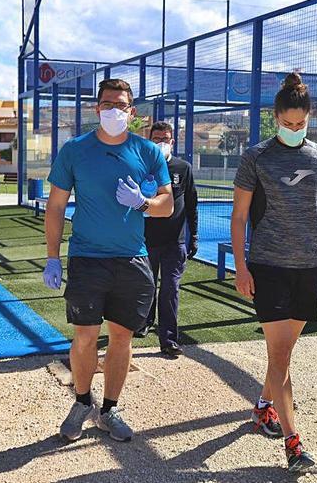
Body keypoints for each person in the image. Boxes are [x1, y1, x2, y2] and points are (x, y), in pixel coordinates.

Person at [231, 73, 317, 473]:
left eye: (301, 124)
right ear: (276, 117)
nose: (295, 129)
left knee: (284, 354)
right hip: (267, 267)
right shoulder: (256, 157)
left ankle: (264, 407)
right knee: (280, 355)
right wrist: (242, 266)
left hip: (308, 267)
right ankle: (293, 443)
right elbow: (240, 215)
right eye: (288, 123)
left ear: (309, 118)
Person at [43, 79, 173, 443]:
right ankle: (82, 401)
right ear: (97, 109)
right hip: (87, 258)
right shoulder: (75, 150)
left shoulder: (147, 151)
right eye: (107, 104)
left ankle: (109, 409)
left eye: (121, 105)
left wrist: (142, 203)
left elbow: (168, 205)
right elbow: (55, 207)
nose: (114, 110)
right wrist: (52, 258)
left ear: (132, 112)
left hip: (132, 259)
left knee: (121, 338)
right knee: (84, 337)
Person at [134, 121, 198, 358]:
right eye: (156, 138)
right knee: (146, 286)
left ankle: (169, 339)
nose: (161, 143)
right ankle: (143, 322)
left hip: (174, 242)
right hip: (145, 241)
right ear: (149, 141)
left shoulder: (183, 167)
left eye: (165, 139)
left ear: (172, 142)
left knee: (170, 289)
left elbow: (191, 205)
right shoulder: (141, 167)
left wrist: (194, 236)